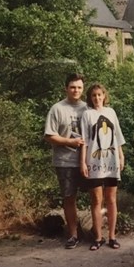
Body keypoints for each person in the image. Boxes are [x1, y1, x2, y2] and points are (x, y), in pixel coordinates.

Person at [80, 83, 125, 251]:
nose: (97, 98)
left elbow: (118, 136)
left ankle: (112, 236)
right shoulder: (87, 115)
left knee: (112, 199)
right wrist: (83, 162)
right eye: (94, 95)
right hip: (94, 162)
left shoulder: (111, 112)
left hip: (111, 161)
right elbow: (84, 141)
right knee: (97, 200)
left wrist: (121, 156)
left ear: (104, 96)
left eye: (100, 95)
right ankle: (98, 237)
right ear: (90, 98)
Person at [44, 73, 87, 249]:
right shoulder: (57, 109)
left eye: (79, 87)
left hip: (87, 161)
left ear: (83, 89)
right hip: (65, 161)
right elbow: (49, 136)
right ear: (66, 88)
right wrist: (71, 142)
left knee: (95, 196)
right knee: (69, 198)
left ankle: (96, 232)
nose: (76, 90)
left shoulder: (88, 108)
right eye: (72, 87)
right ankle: (73, 235)